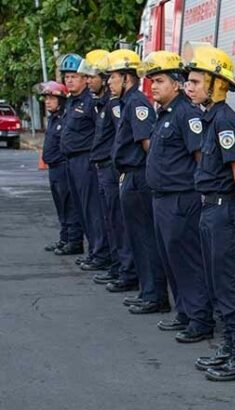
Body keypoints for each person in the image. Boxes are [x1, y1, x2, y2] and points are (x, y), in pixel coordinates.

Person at [184, 42, 235, 381]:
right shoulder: (210, 119)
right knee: (218, 285)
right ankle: (229, 348)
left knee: (230, 286)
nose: (189, 87)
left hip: (223, 212)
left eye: (196, 81)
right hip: (211, 209)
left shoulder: (225, 121)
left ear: (217, 84)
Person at [140, 50, 216, 342]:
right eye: (152, 81)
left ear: (176, 84)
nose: (154, 86)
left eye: (159, 81)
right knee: (171, 259)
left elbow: (200, 158)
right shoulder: (165, 113)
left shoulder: (186, 113)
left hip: (181, 199)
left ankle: (200, 319)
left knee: (187, 261)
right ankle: (184, 312)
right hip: (162, 199)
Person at [105, 49, 170, 314]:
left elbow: (147, 144)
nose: (109, 82)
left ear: (127, 78)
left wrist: (153, 175)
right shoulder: (127, 102)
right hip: (130, 176)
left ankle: (155, 296)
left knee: (145, 238)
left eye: (113, 77)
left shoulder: (137, 103)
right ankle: (147, 291)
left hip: (139, 177)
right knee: (137, 237)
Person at [79, 49, 139, 293]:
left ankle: (126, 270)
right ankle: (117, 267)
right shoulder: (105, 104)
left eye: (93, 77)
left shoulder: (116, 105)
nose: (89, 81)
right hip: (104, 169)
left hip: (112, 171)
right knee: (110, 221)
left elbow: (122, 138)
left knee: (119, 223)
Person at [57, 52, 112, 269]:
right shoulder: (72, 102)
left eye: (74, 76)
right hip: (71, 161)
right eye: (67, 77)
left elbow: (99, 132)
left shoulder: (90, 102)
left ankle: (101, 254)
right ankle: (93, 251)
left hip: (86, 160)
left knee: (93, 210)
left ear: (84, 78)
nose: (69, 80)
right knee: (81, 209)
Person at [37, 81, 83, 255]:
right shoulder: (53, 118)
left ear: (61, 100)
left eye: (51, 98)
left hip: (64, 167)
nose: (47, 102)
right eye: (46, 99)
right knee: (60, 205)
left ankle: (74, 240)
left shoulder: (65, 118)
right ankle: (64, 238)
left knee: (69, 205)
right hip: (54, 168)